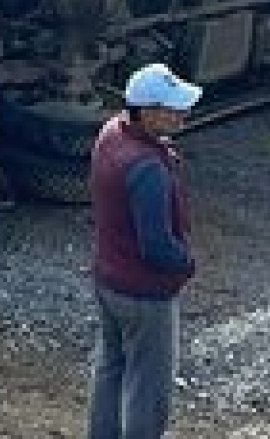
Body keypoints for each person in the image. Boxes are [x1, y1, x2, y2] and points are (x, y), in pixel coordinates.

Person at [88, 63, 202, 439]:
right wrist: (185, 263)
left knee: (110, 368)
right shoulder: (147, 167)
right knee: (148, 389)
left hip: (108, 278)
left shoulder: (111, 133)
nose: (183, 114)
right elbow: (156, 246)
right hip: (144, 292)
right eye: (173, 108)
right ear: (148, 112)